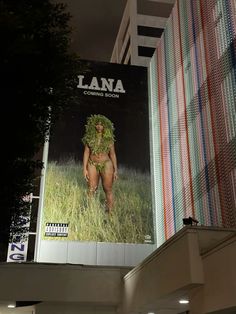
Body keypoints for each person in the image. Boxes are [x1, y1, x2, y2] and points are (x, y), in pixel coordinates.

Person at [82, 114, 118, 213]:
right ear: (93, 125)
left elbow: (113, 154)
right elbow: (86, 152)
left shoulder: (109, 139)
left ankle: (110, 212)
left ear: (105, 126)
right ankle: (90, 211)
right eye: (97, 124)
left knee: (108, 188)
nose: (99, 126)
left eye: (101, 125)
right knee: (91, 188)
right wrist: (84, 168)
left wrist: (115, 170)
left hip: (106, 164)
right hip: (92, 163)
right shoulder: (89, 137)